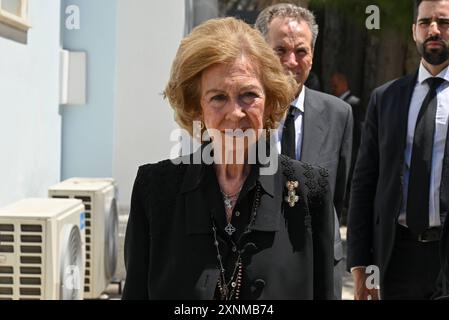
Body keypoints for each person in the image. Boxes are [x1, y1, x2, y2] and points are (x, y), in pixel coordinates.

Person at [122, 17, 334, 300]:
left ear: (269, 100)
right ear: (197, 106)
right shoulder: (156, 190)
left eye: (249, 95)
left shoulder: (309, 191)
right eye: (218, 97)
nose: (235, 113)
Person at [347, 0, 449, 300]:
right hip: (396, 258)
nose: (434, 30)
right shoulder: (386, 98)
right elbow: (364, 183)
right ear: (413, 31)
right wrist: (359, 262)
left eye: (444, 22)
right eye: (425, 22)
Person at [255, 3, 353, 300]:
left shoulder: (339, 114)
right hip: (258, 267)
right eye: (280, 50)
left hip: (319, 266)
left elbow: (339, 194)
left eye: (301, 51)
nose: (291, 61)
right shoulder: (241, 114)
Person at [330, 72, 363, 224]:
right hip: (338, 152)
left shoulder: (354, 103)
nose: (333, 89)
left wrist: (355, 154)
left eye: (335, 85)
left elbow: (357, 133)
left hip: (353, 153)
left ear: (344, 84)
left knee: (350, 188)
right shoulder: (333, 104)